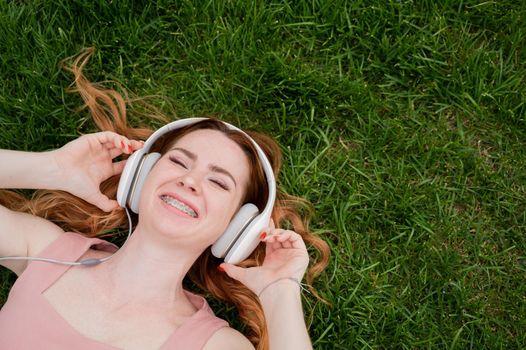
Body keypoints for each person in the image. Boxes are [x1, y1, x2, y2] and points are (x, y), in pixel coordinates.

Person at [0, 49, 330, 350]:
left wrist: (280, 292)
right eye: (179, 161)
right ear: (139, 177)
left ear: (237, 230)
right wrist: (50, 168)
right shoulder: (46, 252)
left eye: (217, 181)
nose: (189, 180)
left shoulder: (213, 344)